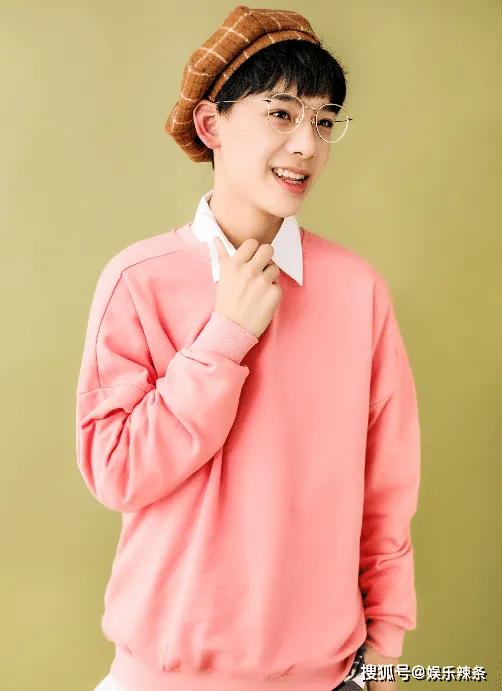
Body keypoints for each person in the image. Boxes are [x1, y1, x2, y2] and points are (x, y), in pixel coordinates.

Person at [76, 6, 421, 691]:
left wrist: (382, 658)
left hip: (324, 678)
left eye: (324, 121)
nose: (307, 145)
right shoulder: (138, 281)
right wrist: (224, 338)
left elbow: (386, 499)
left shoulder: (357, 291)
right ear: (212, 125)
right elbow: (116, 471)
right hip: (160, 678)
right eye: (281, 113)